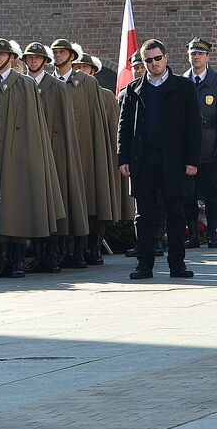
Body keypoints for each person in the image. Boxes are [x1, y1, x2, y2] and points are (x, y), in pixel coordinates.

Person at [118, 38, 201, 280]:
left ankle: (177, 264)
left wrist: (192, 160)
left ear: (166, 58)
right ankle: (144, 265)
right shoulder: (133, 89)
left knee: (175, 213)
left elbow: (194, 126)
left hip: (173, 161)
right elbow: (123, 127)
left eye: (157, 58)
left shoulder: (183, 87)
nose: (153, 63)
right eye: (148, 60)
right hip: (142, 161)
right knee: (143, 215)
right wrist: (123, 158)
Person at [0, 38, 63, 279]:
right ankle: (3, 259)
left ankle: (18, 260)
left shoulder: (25, 84)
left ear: (11, 57)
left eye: (0, 54)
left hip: (18, 156)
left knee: (16, 206)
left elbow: (33, 124)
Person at [50, 39, 118, 267]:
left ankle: (85, 250)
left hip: (84, 151)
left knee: (88, 201)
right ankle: (61, 252)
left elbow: (96, 120)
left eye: (62, 52)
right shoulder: (48, 82)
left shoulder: (88, 83)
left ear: (71, 55)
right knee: (61, 203)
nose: (58, 55)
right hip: (58, 153)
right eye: (55, 52)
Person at [21, 42, 88, 273]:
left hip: (55, 152)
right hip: (30, 153)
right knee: (36, 204)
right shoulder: (22, 85)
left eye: (37, 57)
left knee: (55, 205)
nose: (33, 61)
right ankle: (38, 255)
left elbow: (65, 123)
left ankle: (53, 255)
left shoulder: (58, 87)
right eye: (29, 57)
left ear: (45, 61)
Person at [73, 52, 134, 258]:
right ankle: (77, 249)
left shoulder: (105, 96)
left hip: (99, 158)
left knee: (99, 203)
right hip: (77, 158)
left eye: (85, 67)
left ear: (93, 71)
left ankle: (94, 248)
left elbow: (114, 129)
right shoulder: (67, 93)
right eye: (77, 68)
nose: (81, 71)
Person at [181, 37, 217, 249]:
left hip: (209, 144)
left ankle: (212, 233)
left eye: (200, 54)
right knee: (188, 193)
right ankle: (193, 234)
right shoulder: (182, 81)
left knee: (212, 192)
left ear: (207, 56)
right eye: (193, 54)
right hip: (187, 146)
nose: (196, 57)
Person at [120, 53, 166, 259]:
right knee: (142, 206)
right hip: (140, 157)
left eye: (141, 66)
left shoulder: (168, 87)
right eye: (137, 67)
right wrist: (123, 157)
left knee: (160, 202)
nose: (139, 70)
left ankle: (158, 240)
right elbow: (123, 127)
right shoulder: (129, 92)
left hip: (162, 156)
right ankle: (143, 245)